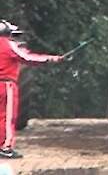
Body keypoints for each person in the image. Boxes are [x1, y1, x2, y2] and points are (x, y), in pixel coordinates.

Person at [0, 20, 63, 159]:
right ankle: (6, 148)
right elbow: (27, 58)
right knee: (8, 118)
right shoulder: (8, 45)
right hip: (6, 85)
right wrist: (51, 59)